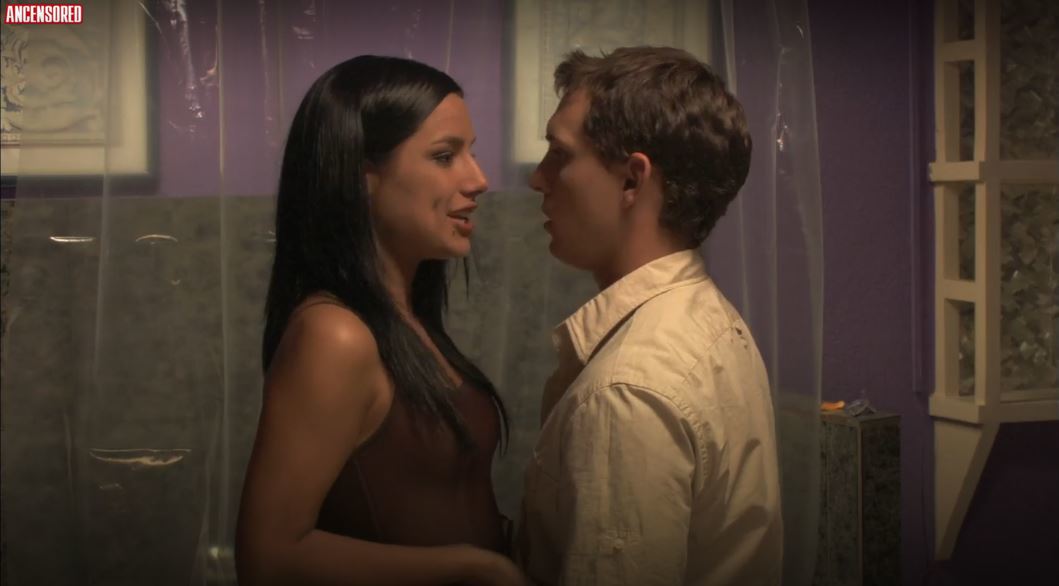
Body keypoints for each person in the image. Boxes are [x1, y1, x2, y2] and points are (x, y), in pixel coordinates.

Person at [236, 55, 527, 586]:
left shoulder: (404, 319)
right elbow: (268, 557)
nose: (479, 179)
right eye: (445, 156)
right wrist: (475, 567)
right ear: (361, 174)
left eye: (472, 152)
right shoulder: (336, 335)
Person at [516, 46, 784, 585]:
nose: (538, 179)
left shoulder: (627, 390)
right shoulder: (706, 316)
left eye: (560, 154)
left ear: (632, 181)